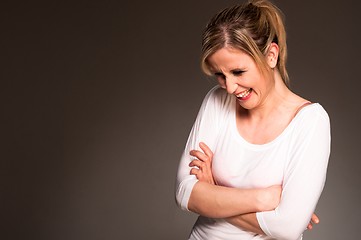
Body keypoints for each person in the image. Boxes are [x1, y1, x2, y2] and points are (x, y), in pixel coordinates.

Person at [175, 0, 331, 239]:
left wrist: (214, 193)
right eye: (220, 75)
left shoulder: (310, 122)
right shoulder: (217, 101)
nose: (229, 88)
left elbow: (287, 228)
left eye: (238, 72)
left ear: (271, 55)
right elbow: (185, 192)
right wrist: (265, 199)